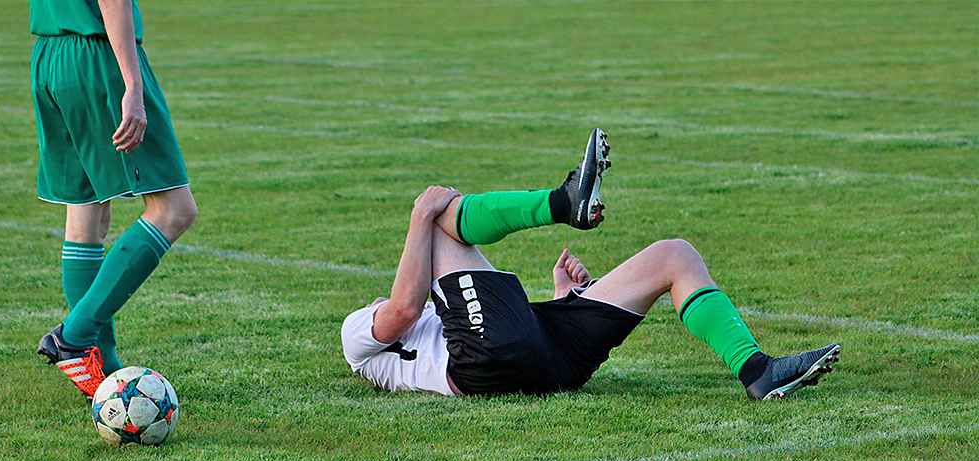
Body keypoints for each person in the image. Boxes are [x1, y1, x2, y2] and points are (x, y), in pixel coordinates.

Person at [342, 129, 840, 400]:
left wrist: (564, 300)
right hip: (481, 365)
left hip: (550, 362)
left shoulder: (445, 318)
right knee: (439, 219)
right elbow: (404, 308)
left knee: (674, 256)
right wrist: (418, 215)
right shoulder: (355, 335)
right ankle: (564, 203)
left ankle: (757, 370)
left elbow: (498, 330)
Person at [30, 0, 197, 396]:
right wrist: (133, 86)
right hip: (99, 58)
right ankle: (73, 338)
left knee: (86, 214)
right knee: (174, 210)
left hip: (51, 57)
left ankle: (100, 371)